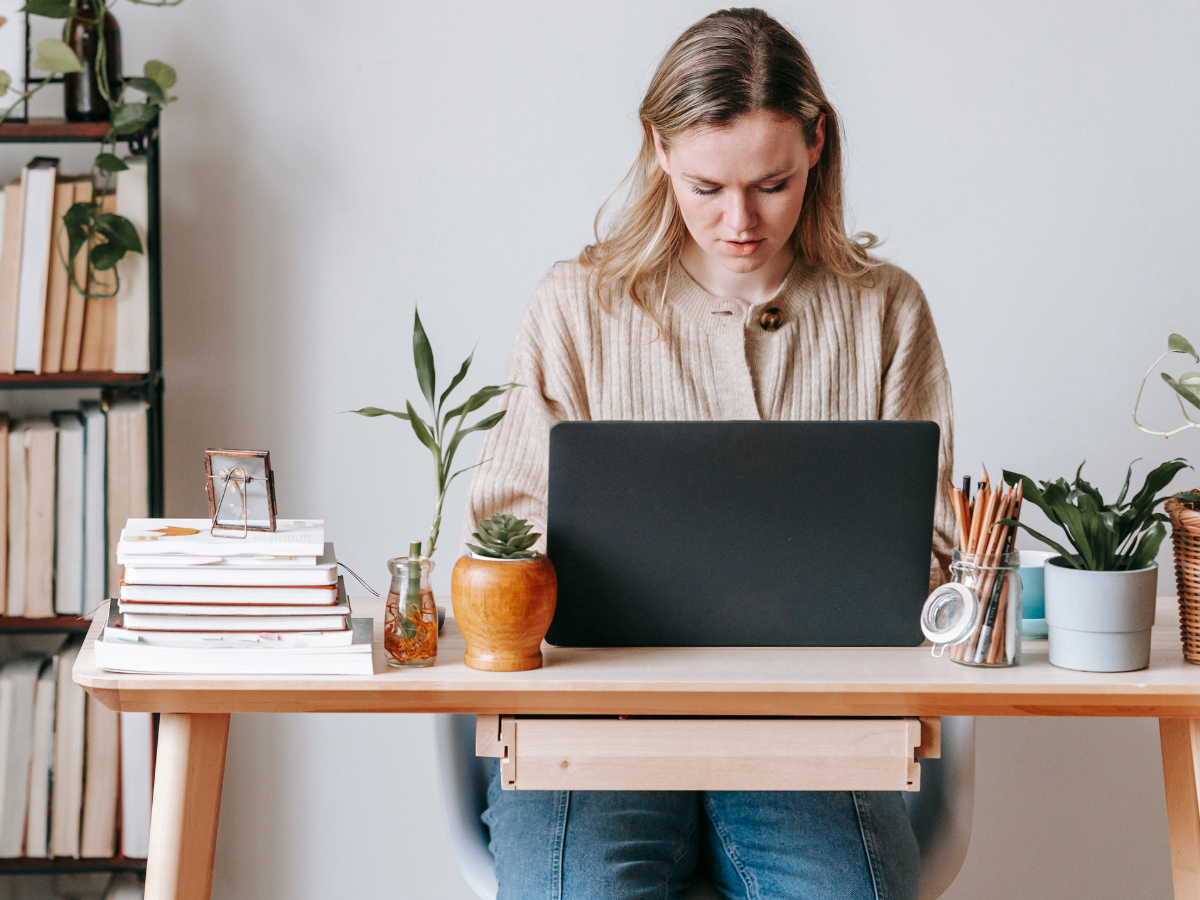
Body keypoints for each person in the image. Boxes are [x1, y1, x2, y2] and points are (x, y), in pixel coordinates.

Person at [463, 8, 954, 899]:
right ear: (657, 148)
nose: (739, 220)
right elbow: (506, 523)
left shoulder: (885, 309)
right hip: (594, 726)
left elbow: (937, 547)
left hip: (814, 731)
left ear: (816, 144)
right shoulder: (574, 306)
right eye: (706, 187)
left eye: (770, 183)